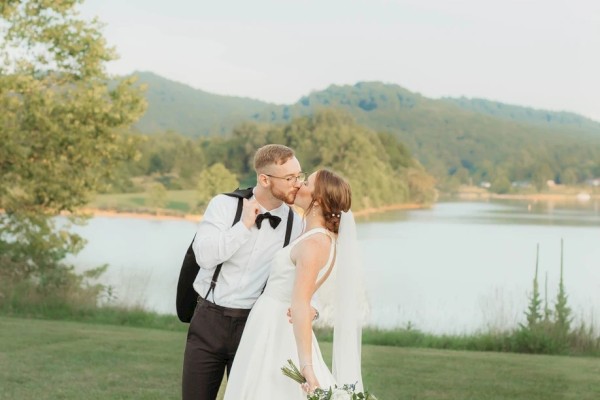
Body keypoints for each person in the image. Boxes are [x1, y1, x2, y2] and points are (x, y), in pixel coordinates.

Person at [224, 169, 364, 399]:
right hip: (270, 324)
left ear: (317, 200)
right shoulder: (316, 237)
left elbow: (300, 304)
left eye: (306, 183)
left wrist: (306, 366)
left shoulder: (314, 244)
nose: (299, 184)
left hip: (276, 331)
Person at [182, 144, 307, 400]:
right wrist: (244, 226)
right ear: (264, 179)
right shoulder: (224, 205)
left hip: (255, 326)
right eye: (290, 178)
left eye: (299, 175)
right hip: (208, 319)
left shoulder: (297, 224)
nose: (298, 183)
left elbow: (302, 274)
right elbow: (204, 257)